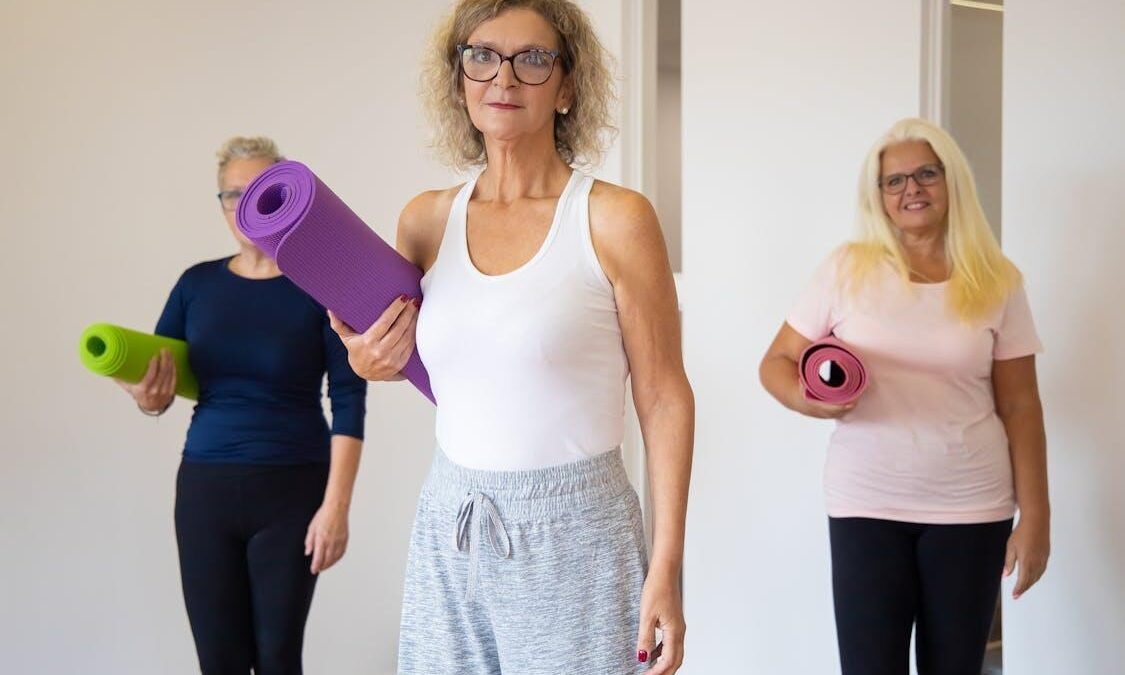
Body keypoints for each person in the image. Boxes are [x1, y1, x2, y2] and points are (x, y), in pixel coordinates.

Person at [328, 2, 694, 673]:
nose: (503, 78)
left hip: (578, 533)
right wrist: (365, 357)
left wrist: (665, 565)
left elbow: (665, 395)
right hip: (450, 522)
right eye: (482, 56)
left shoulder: (614, 219)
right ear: (459, 78)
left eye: (532, 59)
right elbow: (413, 362)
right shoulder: (425, 220)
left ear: (567, 86)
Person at [759, 118, 1050, 675]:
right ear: (878, 197)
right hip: (865, 502)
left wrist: (1036, 517)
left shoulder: (997, 280)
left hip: (971, 507)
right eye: (893, 181)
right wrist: (810, 402)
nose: (911, 189)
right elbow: (775, 363)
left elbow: (1021, 405)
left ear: (951, 181)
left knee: (955, 668)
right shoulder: (845, 269)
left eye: (925, 174)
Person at [118, 136, 367, 674]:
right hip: (206, 491)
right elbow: (161, 385)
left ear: (282, 199)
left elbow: (349, 398)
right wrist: (146, 399)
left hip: (293, 492)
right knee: (219, 662)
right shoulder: (195, 285)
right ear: (221, 203)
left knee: (277, 659)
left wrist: (336, 508)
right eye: (231, 194)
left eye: (258, 191)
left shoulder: (320, 286)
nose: (243, 205)